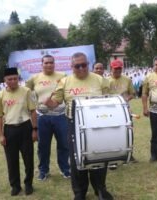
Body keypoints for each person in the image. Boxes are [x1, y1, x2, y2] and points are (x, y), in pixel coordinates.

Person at [45, 52, 113, 200]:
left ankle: (100, 188)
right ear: (71, 66)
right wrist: (47, 102)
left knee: (99, 156)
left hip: (98, 124)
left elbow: (109, 101)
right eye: (77, 66)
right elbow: (55, 103)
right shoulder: (64, 82)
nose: (81, 68)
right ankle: (79, 192)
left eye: (84, 65)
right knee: (77, 158)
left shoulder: (101, 80)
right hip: (74, 124)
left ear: (88, 64)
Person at [25, 55, 70, 181]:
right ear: (42, 64)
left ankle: (65, 169)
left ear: (54, 64)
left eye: (51, 62)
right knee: (43, 146)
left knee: (63, 144)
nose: (49, 65)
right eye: (46, 63)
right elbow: (25, 92)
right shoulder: (34, 78)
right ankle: (43, 171)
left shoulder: (63, 76)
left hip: (61, 116)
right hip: (42, 117)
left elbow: (67, 93)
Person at [0, 68, 36, 196]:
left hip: (25, 128)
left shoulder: (26, 91)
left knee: (28, 159)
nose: (12, 81)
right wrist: (1, 135)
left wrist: (35, 129)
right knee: (11, 160)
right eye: (9, 79)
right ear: (4, 80)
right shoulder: (0, 95)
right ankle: (15, 186)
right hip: (9, 129)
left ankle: (28, 184)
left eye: (15, 78)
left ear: (18, 79)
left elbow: (33, 111)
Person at [108, 60, 137, 163]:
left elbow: (132, 94)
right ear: (111, 68)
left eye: (120, 68)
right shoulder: (106, 81)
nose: (118, 70)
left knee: (128, 132)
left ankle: (129, 154)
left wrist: (126, 99)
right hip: (111, 111)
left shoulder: (127, 79)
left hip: (125, 110)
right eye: (115, 68)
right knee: (112, 133)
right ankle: (113, 156)